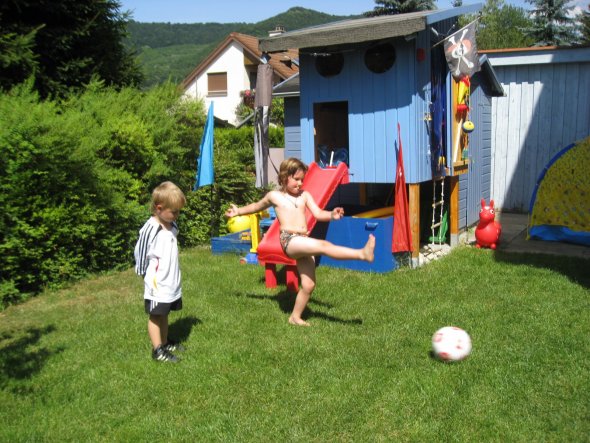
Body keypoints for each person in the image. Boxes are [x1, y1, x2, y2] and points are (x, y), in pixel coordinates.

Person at [225, 158, 375, 327]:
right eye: (296, 179)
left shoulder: (305, 195)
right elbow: (255, 206)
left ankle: (294, 317)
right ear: (284, 178)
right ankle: (361, 254)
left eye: (302, 179)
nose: (300, 183)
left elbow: (318, 214)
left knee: (309, 285)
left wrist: (332, 215)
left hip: (302, 240)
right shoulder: (275, 196)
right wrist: (238, 211)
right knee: (323, 246)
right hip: (289, 240)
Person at [134, 181, 187, 362]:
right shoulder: (151, 228)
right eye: (174, 212)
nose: (177, 215)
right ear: (159, 208)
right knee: (156, 315)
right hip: (157, 282)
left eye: (178, 211)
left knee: (164, 313)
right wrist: (143, 273)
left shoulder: (172, 226)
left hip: (170, 280)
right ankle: (157, 350)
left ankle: (164, 342)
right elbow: (140, 252)